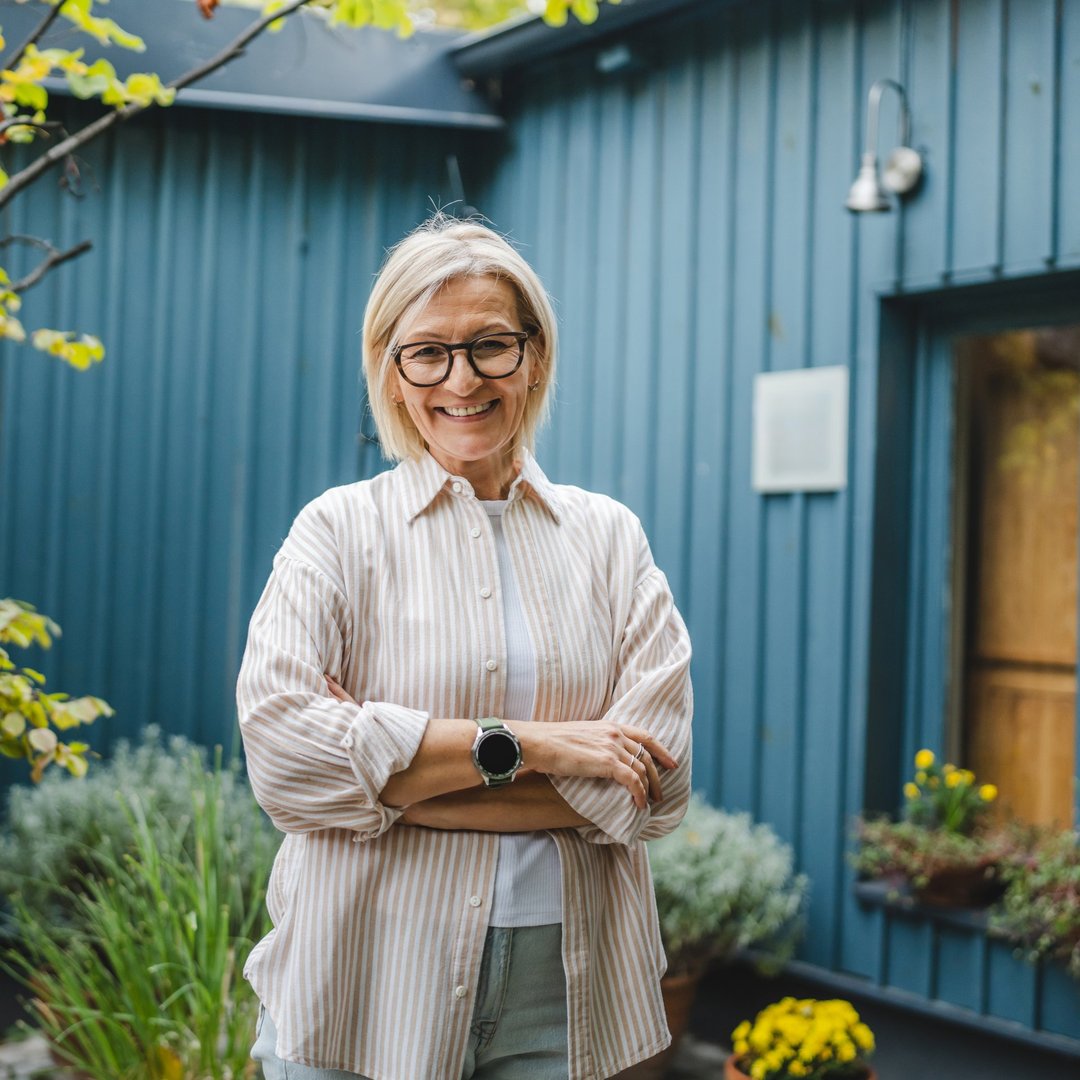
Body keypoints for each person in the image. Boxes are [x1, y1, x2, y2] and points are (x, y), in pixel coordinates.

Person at [236, 214, 693, 1080]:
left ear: (534, 356)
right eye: (428, 353)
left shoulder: (609, 540)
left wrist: (391, 783)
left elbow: (654, 789)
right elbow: (286, 762)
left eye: (490, 345)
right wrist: (546, 749)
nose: (462, 379)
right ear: (393, 371)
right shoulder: (337, 532)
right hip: (365, 982)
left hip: (569, 991)